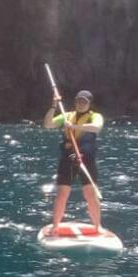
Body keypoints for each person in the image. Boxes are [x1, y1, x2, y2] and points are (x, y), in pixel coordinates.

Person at [44, 88, 102, 229]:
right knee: (62, 193)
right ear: (75, 102)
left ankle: (97, 227)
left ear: (89, 104)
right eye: (79, 101)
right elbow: (48, 124)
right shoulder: (66, 115)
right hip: (69, 157)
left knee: (90, 194)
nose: (81, 104)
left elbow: (96, 128)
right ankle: (55, 226)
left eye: (84, 102)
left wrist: (74, 126)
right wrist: (54, 105)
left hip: (86, 160)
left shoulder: (95, 116)